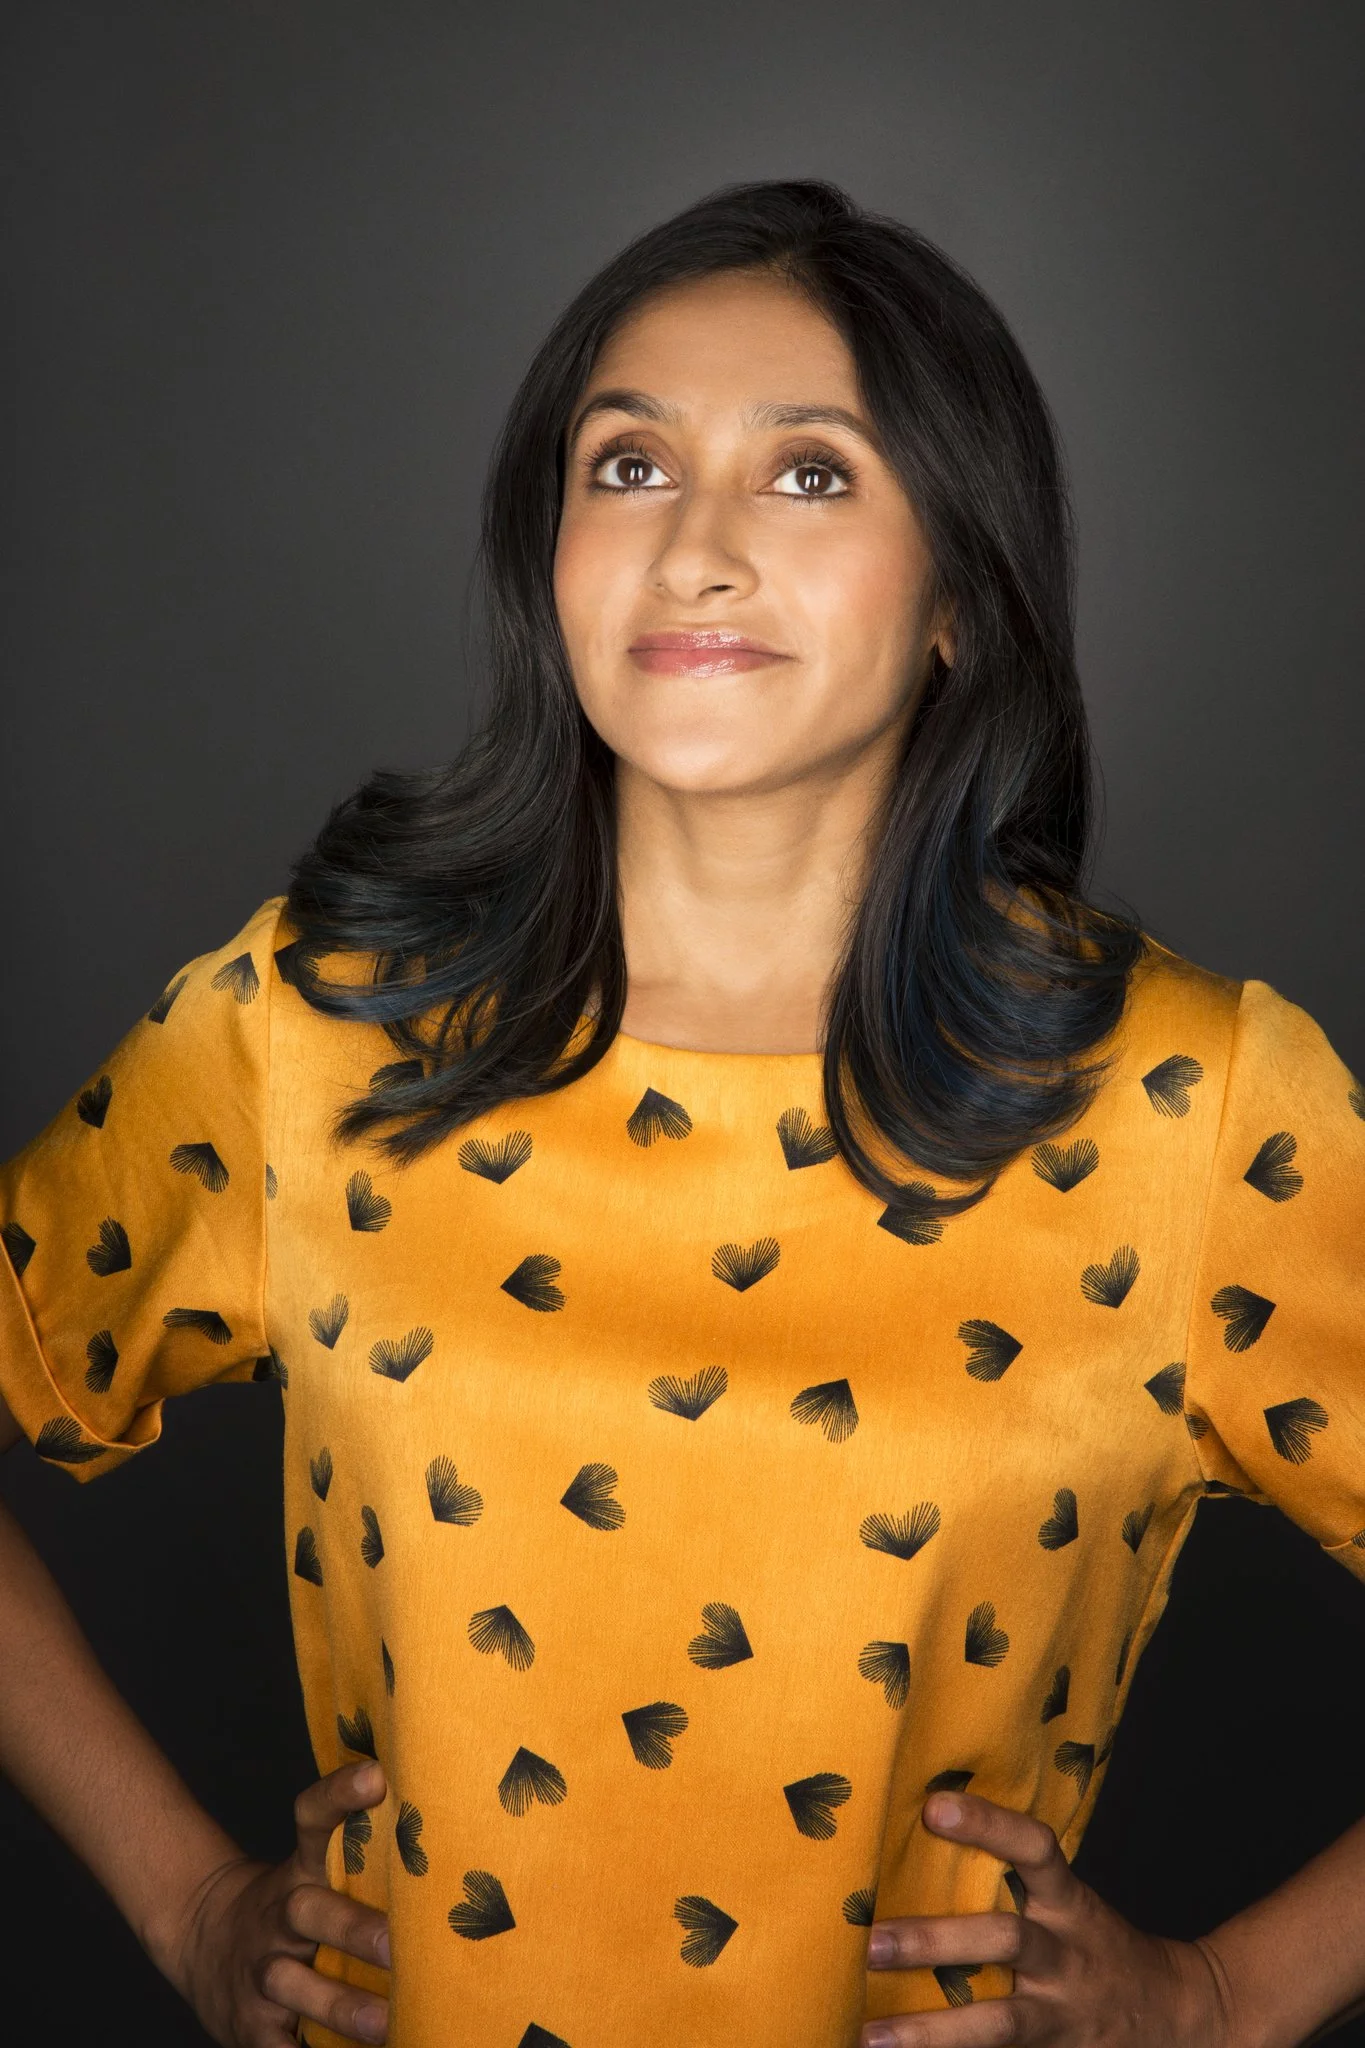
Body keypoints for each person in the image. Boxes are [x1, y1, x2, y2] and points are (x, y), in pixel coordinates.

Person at [1, 177, 1363, 2048]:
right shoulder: (313, 1025)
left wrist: (1219, 1998)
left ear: (964, 587)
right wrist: (185, 1906)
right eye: (627, 466)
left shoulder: (1187, 1104)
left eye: (812, 476)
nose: (697, 550)